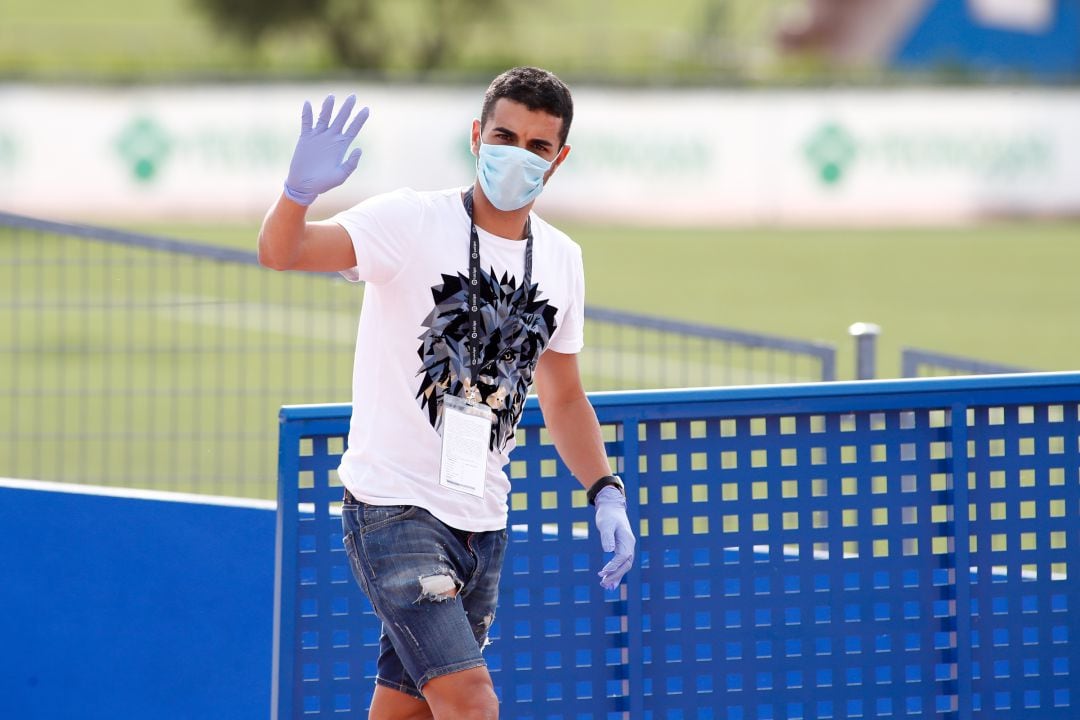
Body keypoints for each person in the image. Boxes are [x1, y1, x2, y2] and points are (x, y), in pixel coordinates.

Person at [258, 66, 635, 720]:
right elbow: (283, 252)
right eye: (504, 135)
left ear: (559, 159)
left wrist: (606, 490)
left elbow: (565, 395)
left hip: (482, 520)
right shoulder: (410, 220)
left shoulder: (562, 258)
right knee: (470, 701)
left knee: (409, 711)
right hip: (393, 510)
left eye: (538, 147)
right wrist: (297, 194)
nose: (517, 155)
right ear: (475, 135)